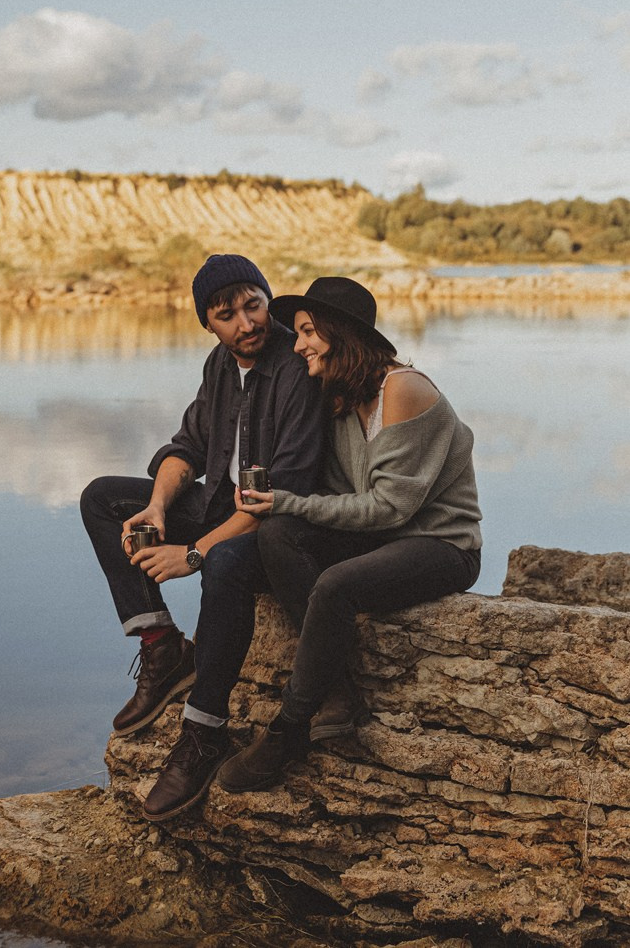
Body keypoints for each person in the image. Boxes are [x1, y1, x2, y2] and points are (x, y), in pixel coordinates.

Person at [215, 275, 482, 794]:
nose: (299, 345)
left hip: (441, 545)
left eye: (309, 331)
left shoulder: (403, 390)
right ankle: (337, 696)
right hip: (387, 538)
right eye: (297, 333)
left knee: (336, 584)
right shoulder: (339, 397)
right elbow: (337, 496)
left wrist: (285, 501)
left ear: (342, 334)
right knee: (278, 537)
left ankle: (289, 727)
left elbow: (388, 507)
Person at [80, 254, 325, 763]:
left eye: (253, 306)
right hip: (222, 505)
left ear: (267, 299)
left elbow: (282, 490)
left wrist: (192, 553)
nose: (246, 323)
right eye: (226, 316)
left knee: (223, 562)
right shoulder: (220, 363)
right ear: (207, 324)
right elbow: (187, 447)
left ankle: (204, 729)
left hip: (280, 526)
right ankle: (162, 646)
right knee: (102, 498)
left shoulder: (295, 368)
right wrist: (157, 507)